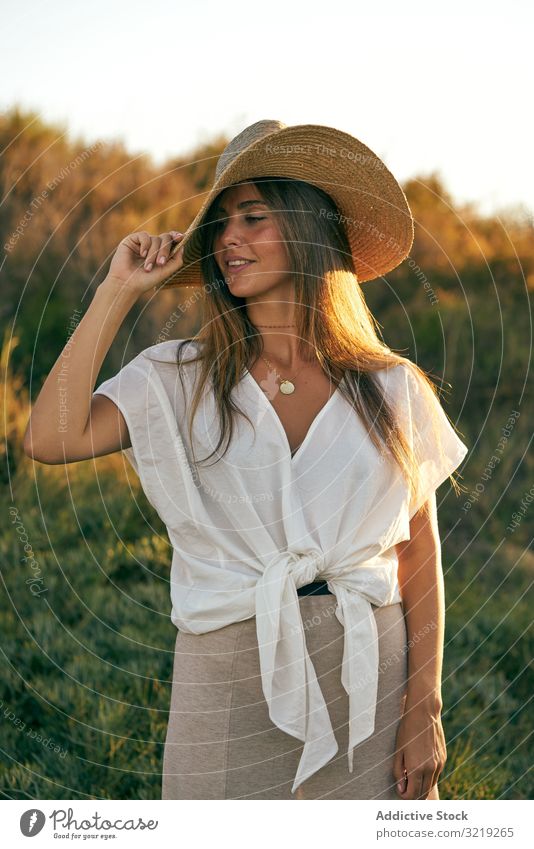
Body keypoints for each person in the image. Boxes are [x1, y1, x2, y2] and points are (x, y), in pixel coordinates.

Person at [24, 119, 468, 801]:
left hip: (369, 685)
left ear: (306, 227)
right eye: (221, 224)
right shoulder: (176, 377)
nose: (230, 238)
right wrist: (116, 290)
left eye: (253, 217)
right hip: (225, 687)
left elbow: (419, 558)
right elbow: (50, 438)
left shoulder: (391, 387)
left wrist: (423, 710)